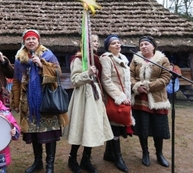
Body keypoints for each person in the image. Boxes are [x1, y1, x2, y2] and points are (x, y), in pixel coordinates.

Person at [11, 29, 68, 173]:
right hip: (29, 103)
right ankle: (38, 162)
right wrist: (16, 102)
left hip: (47, 101)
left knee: (49, 134)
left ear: (38, 40)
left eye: (33, 39)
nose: (31, 41)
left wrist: (42, 66)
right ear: (24, 42)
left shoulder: (48, 55)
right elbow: (17, 81)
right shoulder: (19, 59)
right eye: (28, 39)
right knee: (34, 134)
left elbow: (58, 73)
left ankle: (50, 165)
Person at [64, 34, 113, 173]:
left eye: (97, 41)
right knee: (80, 126)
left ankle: (86, 159)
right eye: (93, 41)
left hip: (95, 96)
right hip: (82, 96)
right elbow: (75, 80)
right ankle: (72, 158)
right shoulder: (78, 59)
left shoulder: (96, 59)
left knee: (92, 127)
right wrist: (87, 73)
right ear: (85, 43)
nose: (96, 44)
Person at [130, 35, 171, 168]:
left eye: (146, 44)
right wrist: (136, 86)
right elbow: (129, 75)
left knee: (158, 127)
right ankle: (145, 153)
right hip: (141, 99)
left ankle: (159, 153)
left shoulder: (162, 60)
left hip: (157, 98)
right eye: (141, 45)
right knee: (143, 127)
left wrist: (149, 86)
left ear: (153, 46)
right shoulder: (135, 60)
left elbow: (166, 77)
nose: (143, 46)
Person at [99, 34, 134, 173]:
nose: (118, 45)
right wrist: (120, 96)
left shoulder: (124, 59)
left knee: (117, 126)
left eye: (118, 43)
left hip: (124, 97)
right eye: (114, 43)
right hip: (114, 98)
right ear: (108, 47)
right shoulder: (106, 59)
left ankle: (109, 153)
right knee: (114, 127)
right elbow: (106, 80)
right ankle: (118, 157)